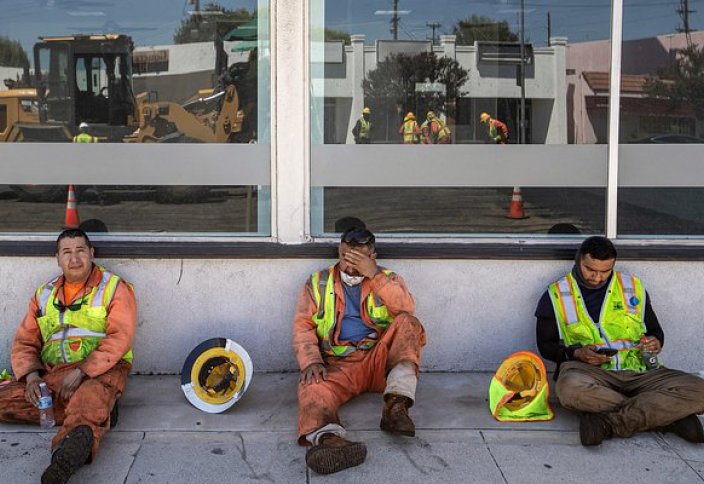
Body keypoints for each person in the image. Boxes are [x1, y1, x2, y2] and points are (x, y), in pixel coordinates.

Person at [535, 236, 704, 446]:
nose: (596, 277)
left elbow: (655, 330)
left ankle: (611, 423)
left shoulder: (631, 287)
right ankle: (668, 418)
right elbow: (545, 345)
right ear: (578, 260)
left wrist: (655, 342)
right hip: (590, 373)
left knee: (700, 390)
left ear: (613, 265)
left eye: (604, 271)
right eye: (590, 269)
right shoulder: (557, 294)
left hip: (640, 371)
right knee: (569, 389)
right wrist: (576, 353)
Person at [0, 229, 136, 483]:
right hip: (53, 375)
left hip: (100, 370)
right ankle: (102, 411)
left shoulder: (114, 288)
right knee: (7, 400)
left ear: (91, 253)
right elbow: (25, 340)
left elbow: (120, 337)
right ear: (58, 259)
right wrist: (30, 377)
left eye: (80, 251)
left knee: (90, 395)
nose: (74, 259)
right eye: (67, 252)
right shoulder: (44, 293)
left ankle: (65, 456)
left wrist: (83, 371)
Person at [293, 227, 426, 475]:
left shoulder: (388, 278)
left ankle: (396, 408)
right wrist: (311, 361)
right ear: (339, 252)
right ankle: (330, 441)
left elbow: (406, 307)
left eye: (359, 259)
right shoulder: (318, 282)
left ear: (373, 255)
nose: (350, 266)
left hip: (379, 360)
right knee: (310, 385)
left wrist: (373, 274)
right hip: (340, 363)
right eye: (346, 257)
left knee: (409, 324)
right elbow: (303, 326)